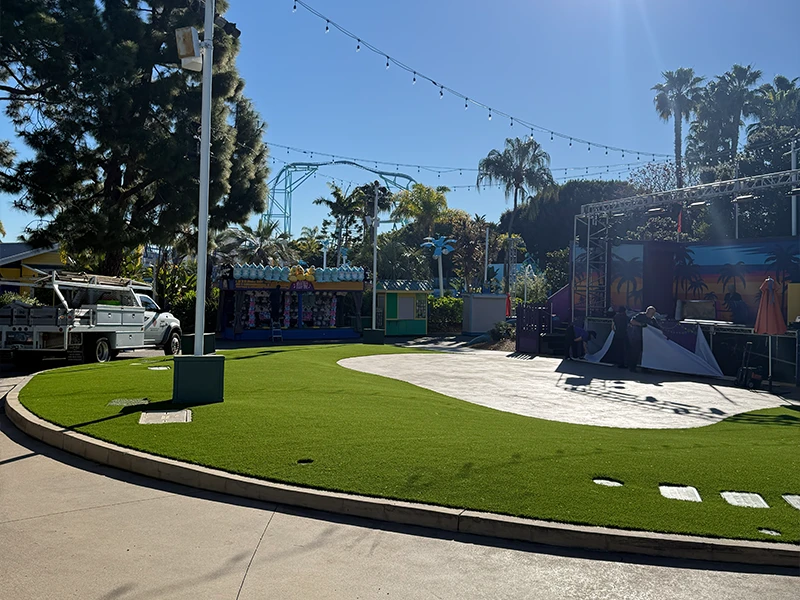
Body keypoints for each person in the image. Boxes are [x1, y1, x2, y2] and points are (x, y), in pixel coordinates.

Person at [628, 306, 660, 372]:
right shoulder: (640, 316)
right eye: (652, 313)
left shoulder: (653, 320)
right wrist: (640, 324)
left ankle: (645, 367)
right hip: (637, 337)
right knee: (635, 353)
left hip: (647, 340)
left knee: (646, 353)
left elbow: (657, 329)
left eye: (653, 313)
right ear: (647, 312)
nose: (653, 314)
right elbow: (632, 321)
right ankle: (632, 367)